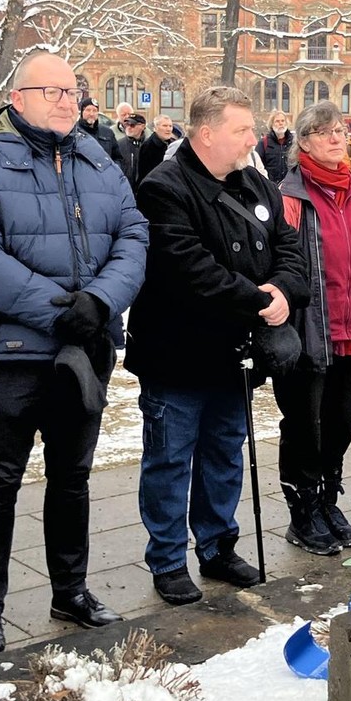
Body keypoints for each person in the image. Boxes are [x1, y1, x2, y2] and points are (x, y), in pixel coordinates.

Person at [0, 52, 149, 656]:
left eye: (71, 89)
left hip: (86, 349)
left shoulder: (96, 156)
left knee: (72, 477)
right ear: (19, 98)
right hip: (12, 351)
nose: (65, 99)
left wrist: (101, 302)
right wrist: (64, 309)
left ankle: (71, 590)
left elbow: (134, 234)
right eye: (51, 89)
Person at [127, 86, 309, 606]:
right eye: (242, 130)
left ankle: (217, 545)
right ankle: (166, 559)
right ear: (206, 134)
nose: (254, 138)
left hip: (234, 353)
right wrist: (258, 298)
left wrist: (282, 292)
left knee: (225, 453)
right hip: (178, 352)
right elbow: (188, 269)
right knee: (169, 460)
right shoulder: (164, 187)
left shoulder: (255, 181)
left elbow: (289, 248)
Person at [275, 103, 351, 555]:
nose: (336, 139)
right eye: (324, 132)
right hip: (310, 330)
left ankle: (328, 499)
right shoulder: (289, 195)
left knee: (342, 422)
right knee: (305, 424)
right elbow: (281, 261)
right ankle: (302, 510)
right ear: (302, 142)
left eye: (340, 131)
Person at [76, 96, 126, 174]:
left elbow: (118, 158)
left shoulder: (107, 132)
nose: (91, 114)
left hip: (104, 179)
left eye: (95, 110)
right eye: (88, 110)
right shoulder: (73, 132)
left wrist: (112, 171)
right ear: (82, 112)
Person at [138, 114, 178, 187]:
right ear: (155, 128)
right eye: (165, 126)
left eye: (170, 126)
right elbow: (144, 173)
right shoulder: (148, 146)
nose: (168, 129)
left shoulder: (174, 144)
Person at [255, 110, 293, 183]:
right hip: (271, 187)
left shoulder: (294, 142)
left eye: (283, 121)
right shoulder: (264, 143)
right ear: (271, 124)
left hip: (290, 188)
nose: (280, 123)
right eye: (277, 121)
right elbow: (257, 167)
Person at [118, 113, 146, 185]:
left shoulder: (149, 145)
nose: (129, 127)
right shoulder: (119, 145)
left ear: (142, 126)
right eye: (126, 125)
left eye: (132, 125)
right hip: (125, 187)